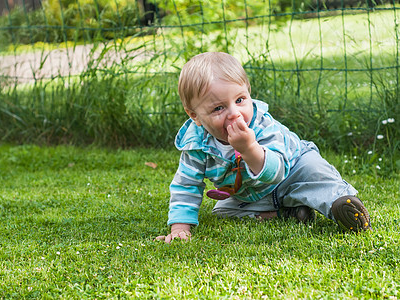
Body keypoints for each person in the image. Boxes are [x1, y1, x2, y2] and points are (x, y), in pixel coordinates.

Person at [156, 52, 371, 243]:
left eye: (240, 99)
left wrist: (249, 148)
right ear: (195, 115)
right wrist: (180, 228)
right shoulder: (196, 145)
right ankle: (288, 213)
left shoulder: (262, 125)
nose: (234, 113)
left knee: (316, 174)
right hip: (251, 194)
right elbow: (186, 184)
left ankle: (339, 204)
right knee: (222, 211)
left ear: (249, 93)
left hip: (292, 171)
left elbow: (275, 173)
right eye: (218, 108)